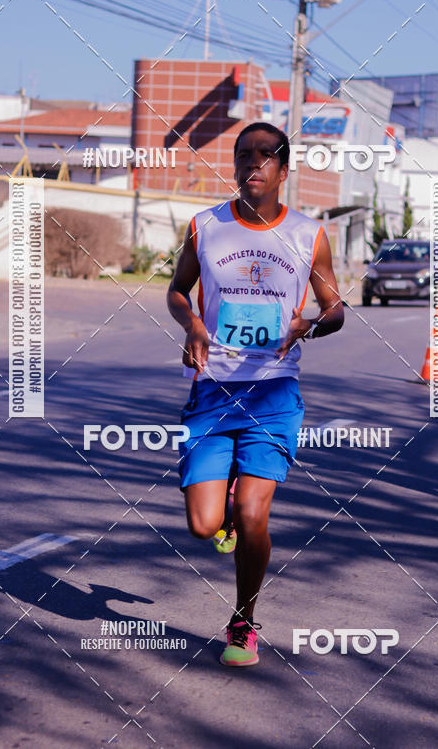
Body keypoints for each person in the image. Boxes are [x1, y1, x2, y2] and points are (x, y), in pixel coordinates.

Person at [167, 122, 344, 666]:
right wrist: (193, 325)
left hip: (273, 394)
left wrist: (308, 326)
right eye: (244, 154)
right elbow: (177, 290)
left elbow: (335, 307)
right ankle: (219, 522)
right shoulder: (205, 226)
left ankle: (243, 619)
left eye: (265, 155)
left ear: (284, 170)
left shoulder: (308, 234)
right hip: (213, 390)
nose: (253, 163)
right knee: (203, 524)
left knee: (252, 513)